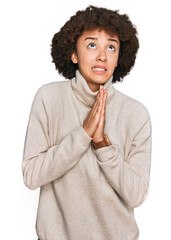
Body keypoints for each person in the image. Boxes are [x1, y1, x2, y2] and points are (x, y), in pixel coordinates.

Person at [22, 5, 152, 240]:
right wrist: (82, 135)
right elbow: (31, 176)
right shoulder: (49, 98)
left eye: (111, 47)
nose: (102, 55)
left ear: (118, 58)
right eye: (92, 44)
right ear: (74, 53)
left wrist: (102, 144)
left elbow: (137, 195)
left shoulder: (136, 114)